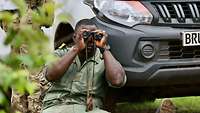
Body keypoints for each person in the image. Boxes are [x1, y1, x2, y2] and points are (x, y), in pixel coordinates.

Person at [41, 19, 127, 113]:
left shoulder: (104, 58)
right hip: (57, 105)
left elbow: (117, 80)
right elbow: (50, 75)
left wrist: (105, 48)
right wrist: (76, 48)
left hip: (89, 108)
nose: (89, 40)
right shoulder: (61, 53)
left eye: (94, 36)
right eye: (85, 36)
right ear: (74, 37)